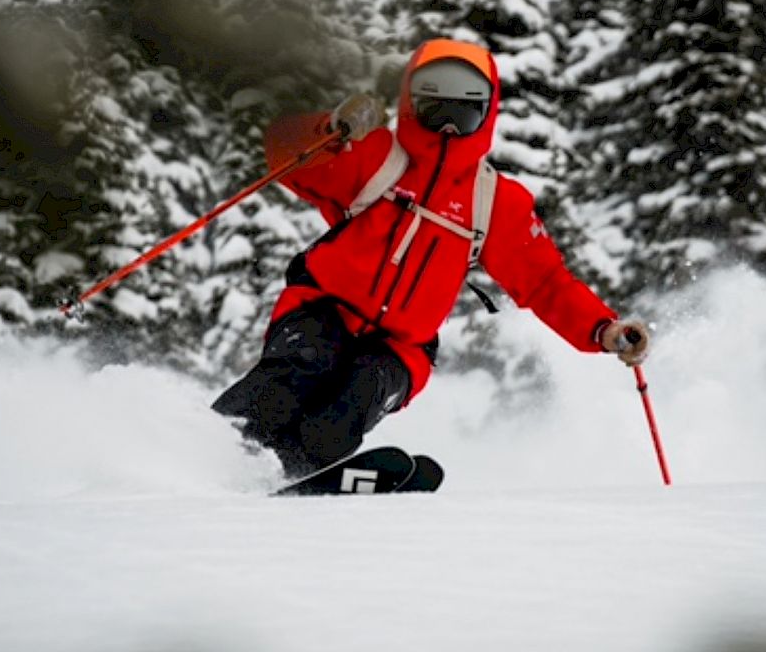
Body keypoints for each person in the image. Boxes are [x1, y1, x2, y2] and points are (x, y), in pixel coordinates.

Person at [212, 38, 649, 477]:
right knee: (298, 372)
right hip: (323, 309)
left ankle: (290, 475)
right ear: (410, 104)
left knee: (350, 406)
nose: (447, 130)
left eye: (463, 115)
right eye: (434, 111)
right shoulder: (378, 156)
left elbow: (544, 282)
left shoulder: (493, 201)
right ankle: (208, 453)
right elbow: (285, 154)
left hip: (403, 346)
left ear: (486, 114)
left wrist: (603, 328)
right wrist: (333, 131)